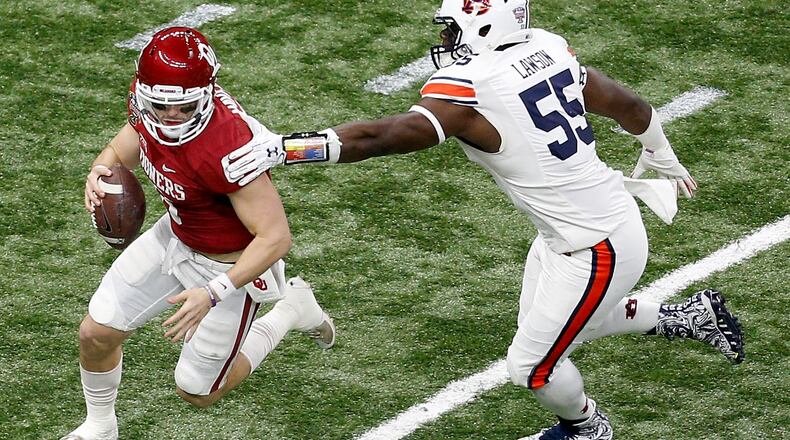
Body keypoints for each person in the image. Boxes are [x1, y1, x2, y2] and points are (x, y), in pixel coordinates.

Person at [226, 1, 744, 439]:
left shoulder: (475, 84)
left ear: (485, 25)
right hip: (581, 231)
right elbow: (627, 104)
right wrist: (660, 150)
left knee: (534, 368)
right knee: (555, 333)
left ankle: (587, 428)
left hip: (597, 245)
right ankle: (686, 317)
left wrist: (288, 149)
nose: (447, 39)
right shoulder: (548, 46)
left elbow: (382, 136)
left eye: (453, 27)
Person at [62, 26, 335, 440]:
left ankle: (291, 309)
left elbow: (276, 237)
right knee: (96, 332)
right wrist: (99, 171)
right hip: (176, 235)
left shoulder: (227, 147)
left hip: (230, 267)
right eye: (161, 106)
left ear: (206, 95)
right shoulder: (146, 108)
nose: (171, 116)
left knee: (199, 392)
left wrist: (214, 292)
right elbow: (122, 149)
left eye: (185, 108)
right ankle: (100, 427)